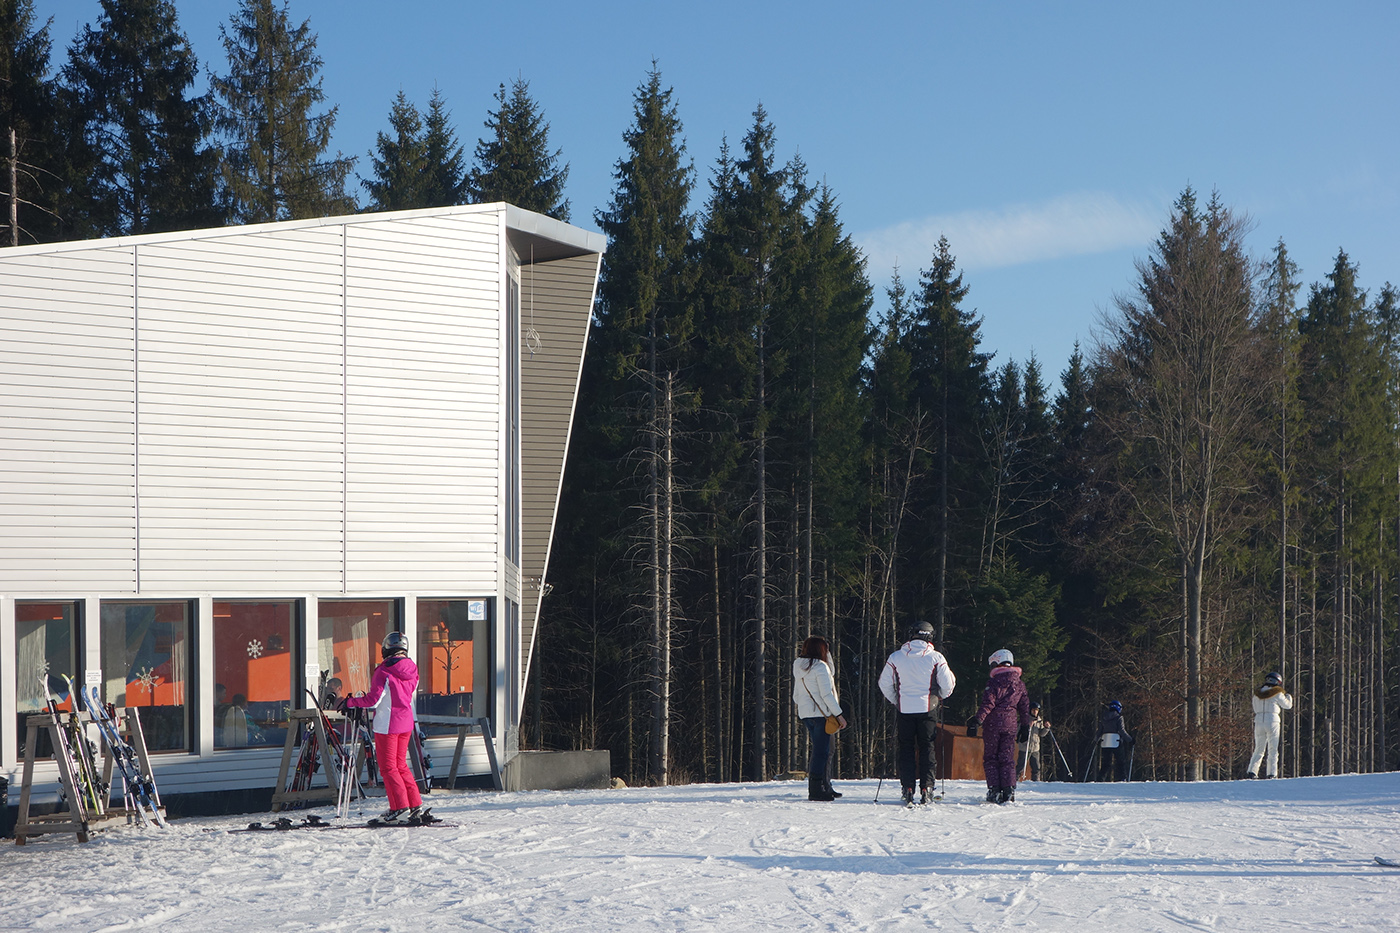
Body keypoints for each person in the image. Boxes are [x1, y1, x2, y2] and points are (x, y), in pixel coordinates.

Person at [344, 632, 423, 823]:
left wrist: (350, 702)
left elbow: (374, 699)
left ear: (386, 649)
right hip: (406, 722)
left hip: (387, 723)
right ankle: (414, 804)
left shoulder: (384, 670)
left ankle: (399, 807)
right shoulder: (412, 669)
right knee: (401, 764)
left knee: (388, 768)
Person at [878, 622, 956, 805]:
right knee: (927, 747)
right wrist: (940, 697)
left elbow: (884, 683)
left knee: (906, 748)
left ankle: (908, 788)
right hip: (928, 709)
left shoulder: (896, 657)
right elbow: (948, 684)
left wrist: (896, 700)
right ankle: (927, 787)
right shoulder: (936, 657)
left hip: (904, 709)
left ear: (911, 635)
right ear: (930, 637)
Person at [792, 635, 848, 802]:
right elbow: (826, 694)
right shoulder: (820, 667)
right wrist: (839, 715)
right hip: (822, 714)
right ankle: (816, 789)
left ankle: (825, 785)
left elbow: (796, 694)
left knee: (826, 750)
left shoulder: (799, 665)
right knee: (822, 752)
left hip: (807, 713)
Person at [971, 649, 1030, 804]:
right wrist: (1025, 726)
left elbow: (988, 704)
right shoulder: (1020, 684)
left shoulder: (994, 682)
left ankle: (994, 790)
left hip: (993, 725)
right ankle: (1009, 790)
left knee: (991, 757)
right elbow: (1024, 707)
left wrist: (977, 720)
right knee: (1007, 758)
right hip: (1010, 725)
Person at [1246, 672, 1293, 779]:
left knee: (1259, 748)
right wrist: (1289, 697)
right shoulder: (1277, 693)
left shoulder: (1256, 694)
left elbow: (1254, 708)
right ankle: (1271, 773)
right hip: (1272, 721)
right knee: (1272, 749)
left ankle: (1252, 771)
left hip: (1258, 720)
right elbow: (1288, 705)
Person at [1096, 700, 1133, 782]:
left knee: (1106, 763)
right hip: (1116, 742)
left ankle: (1100, 779)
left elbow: (1099, 731)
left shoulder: (1103, 718)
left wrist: (1096, 740)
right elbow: (1122, 731)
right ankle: (1122, 778)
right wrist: (1130, 740)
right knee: (1120, 761)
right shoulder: (1119, 718)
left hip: (1105, 742)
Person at [1021, 701, 1052, 782]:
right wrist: (1028, 726)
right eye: (1034, 710)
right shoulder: (1025, 719)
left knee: (1036, 767)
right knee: (1021, 766)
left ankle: (1036, 782)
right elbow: (1020, 731)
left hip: (1035, 748)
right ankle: (1014, 782)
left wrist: (1046, 728)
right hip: (1025, 747)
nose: (1035, 712)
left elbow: (1041, 734)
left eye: (1037, 710)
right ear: (1030, 710)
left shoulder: (1039, 721)